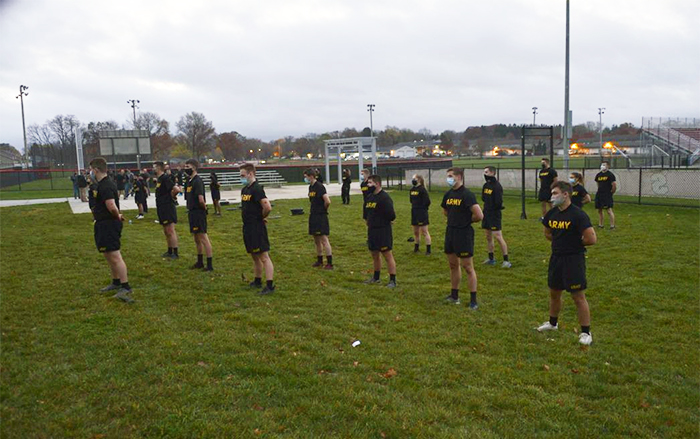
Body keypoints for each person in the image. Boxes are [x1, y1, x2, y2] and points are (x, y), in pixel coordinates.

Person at [537, 181, 597, 346]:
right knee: (554, 293)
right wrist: (559, 241)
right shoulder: (552, 214)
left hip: (573, 259)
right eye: (552, 193)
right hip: (556, 258)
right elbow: (547, 233)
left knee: (578, 296)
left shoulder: (578, 215)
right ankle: (552, 323)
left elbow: (591, 238)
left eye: (555, 193)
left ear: (566, 194)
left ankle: (586, 332)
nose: (552, 196)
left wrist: (574, 244)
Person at [89, 157, 133, 303]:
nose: (90, 173)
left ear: (96, 169)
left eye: (91, 170)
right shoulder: (100, 185)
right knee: (108, 254)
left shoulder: (106, 185)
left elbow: (111, 206)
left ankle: (125, 286)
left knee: (114, 255)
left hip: (109, 224)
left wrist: (117, 216)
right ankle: (115, 282)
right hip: (102, 223)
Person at [441, 167, 483, 308]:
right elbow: (445, 211)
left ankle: (473, 300)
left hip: (463, 233)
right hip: (451, 232)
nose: (449, 178)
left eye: (451, 176)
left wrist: (466, 221)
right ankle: (454, 295)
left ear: (459, 177)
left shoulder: (467, 194)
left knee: (468, 267)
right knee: (453, 265)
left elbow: (479, 215)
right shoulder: (448, 194)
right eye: (448, 176)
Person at [240, 163, 275, 294]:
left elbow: (267, 207)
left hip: (256, 227)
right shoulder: (245, 190)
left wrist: (261, 217)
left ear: (250, 174)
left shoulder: (257, 189)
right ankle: (258, 280)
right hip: (247, 226)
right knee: (254, 255)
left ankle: (270, 285)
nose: (241, 178)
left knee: (263, 256)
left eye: (243, 175)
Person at [363, 175, 397, 288]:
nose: (368, 185)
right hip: (372, 230)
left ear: (377, 184)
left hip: (383, 231)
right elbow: (366, 214)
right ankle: (376, 277)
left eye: (370, 183)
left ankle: (392, 280)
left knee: (387, 255)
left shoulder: (384, 198)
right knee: (374, 254)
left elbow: (391, 215)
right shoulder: (369, 197)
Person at [185, 159, 214, 271]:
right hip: (191, 211)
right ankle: (200, 261)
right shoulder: (189, 181)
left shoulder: (197, 181)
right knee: (196, 238)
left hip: (198, 212)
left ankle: (210, 264)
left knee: (203, 237)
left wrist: (204, 208)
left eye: (188, 166)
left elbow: (201, 199)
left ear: (194, 167)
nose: (185, 168)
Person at [481, 166, 511, 268]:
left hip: (494, 214)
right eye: (484, 172)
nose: (485, 174)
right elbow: (483, 198)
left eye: (487, 172)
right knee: (488, 237)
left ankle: (506, 260)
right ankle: (491, 258)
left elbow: (498, 202)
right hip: (486, 213)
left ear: (493, 173)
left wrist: (494, 209)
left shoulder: (497, 186)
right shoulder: (485, 186)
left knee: (498, 236)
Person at [304, 168, 333, 269]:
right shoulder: (310, 187)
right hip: (313, 215)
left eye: (306, 177)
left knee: (324, 239)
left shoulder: (319, 187)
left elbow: (327, 201)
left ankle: (329, 262)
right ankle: (319, 260)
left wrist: (323, 210)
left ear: (311, 176)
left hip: (320, 215)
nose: (305, 178)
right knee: (316, 239)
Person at [154, 161, 181, 259]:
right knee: (165, 230)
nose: (153, 169)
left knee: (170, 230)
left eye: (154, 167)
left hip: (167, 206)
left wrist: (172, 197)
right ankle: (169, 250)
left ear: (159, 168)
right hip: (161, 207)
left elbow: (176, 189)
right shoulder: (159, 179)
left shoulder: (165, 178)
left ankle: (175, 252)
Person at [409, 174, 432, 255]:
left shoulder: (422, 190)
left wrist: (422, 209)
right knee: (416, 232)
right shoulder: (412, 190)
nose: (413, 180)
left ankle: (428, 250)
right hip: (414, 212)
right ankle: (416, 248)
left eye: (414, 178)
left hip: (422, 212)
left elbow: (427, 202)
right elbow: (411, 201)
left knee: (424, 231)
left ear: (419, 179)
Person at [595, 161, 617, 229]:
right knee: (600, 210)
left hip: (607, 194)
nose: (602, 166)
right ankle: (601, 225)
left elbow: (614, 185)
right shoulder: (598, 175)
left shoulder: (610, 175)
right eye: (602, 165)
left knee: (609, 210)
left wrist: (611, 192)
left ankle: (612, 225)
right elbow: (598, 184)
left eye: (604, 165)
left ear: (608, 166)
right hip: (599, 194)